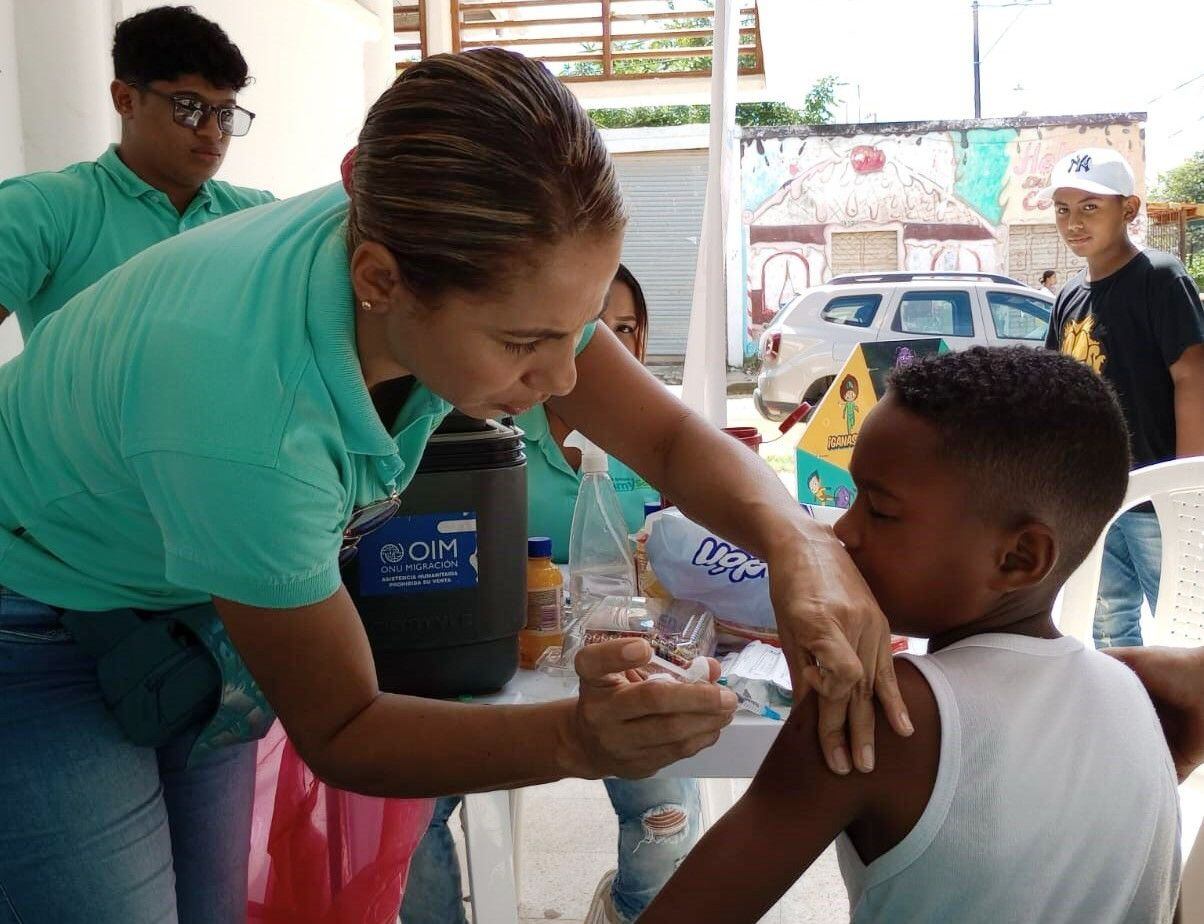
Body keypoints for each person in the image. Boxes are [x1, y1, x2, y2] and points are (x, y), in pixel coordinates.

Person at [0, 50, 910, 923]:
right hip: (31, 601)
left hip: (173, 578)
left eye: (581, 330)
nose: (563, 382)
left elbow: (669, 437)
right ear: (380, 280)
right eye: (523, 345)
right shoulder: (248, 416)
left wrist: (799, 544)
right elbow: (345, 725)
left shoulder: (434, 233)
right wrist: (574, 739)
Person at [642, 347, 1181, 923]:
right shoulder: (1132, 696)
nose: (842, 534)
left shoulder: (879, 711)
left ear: (1019, 557)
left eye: (880, 510)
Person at [401, 265, 702, 924]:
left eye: (626, 331)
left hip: (625, 658)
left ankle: (625, 913)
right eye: (591, 333)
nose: (609, 351)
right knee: (406, 818)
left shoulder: (657, 437)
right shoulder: (489, 422)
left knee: (666, 815)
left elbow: (691, 555)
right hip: (507, 664)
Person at [0, 5, 272, 338]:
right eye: (190, 108)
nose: (213, 132)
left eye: (226, 113)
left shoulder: (259, 216)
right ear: (125, 99)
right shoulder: (42, 209)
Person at [1042, 146, 1204, 648]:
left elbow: (1193, 378)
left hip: (1157, 495)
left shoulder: (1159, 277)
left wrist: (1186, 482)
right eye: (1063, 209)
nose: (1074, 222)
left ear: (1129, 210)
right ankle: (1133, 718)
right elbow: (1057, 390)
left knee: (1182, 625)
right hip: (1096, 495)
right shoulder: (1069, 295)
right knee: (1109, 621)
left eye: (1091, 207)